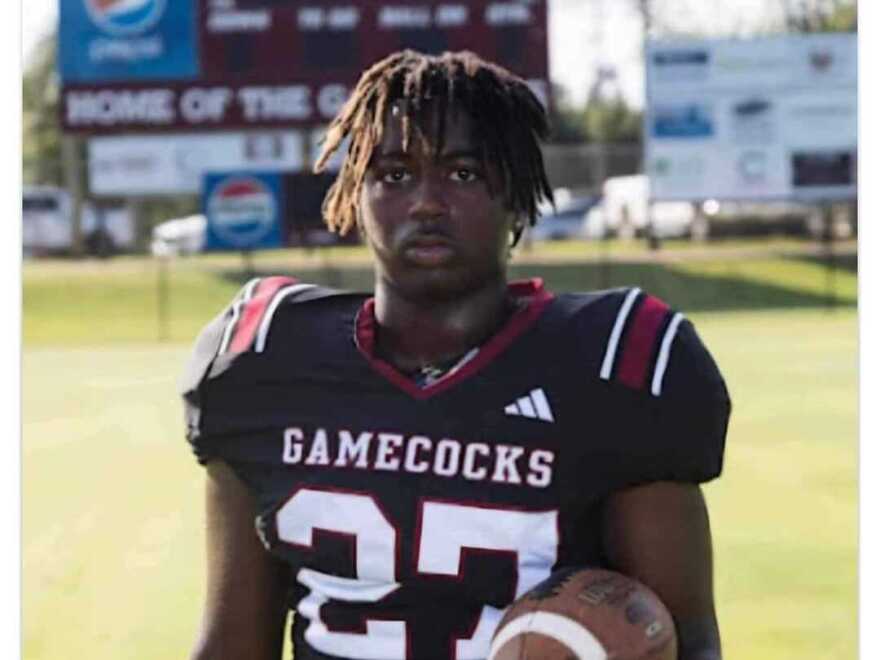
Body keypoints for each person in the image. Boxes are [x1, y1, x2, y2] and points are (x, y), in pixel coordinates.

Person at [181, 50, 731, 660]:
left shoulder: (615, 366)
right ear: (355, 198)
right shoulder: (266, 360)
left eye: (463, 173)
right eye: (393, 174)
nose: (426, 202)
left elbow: (689, 641)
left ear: (520, 201)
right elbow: (232, 644)